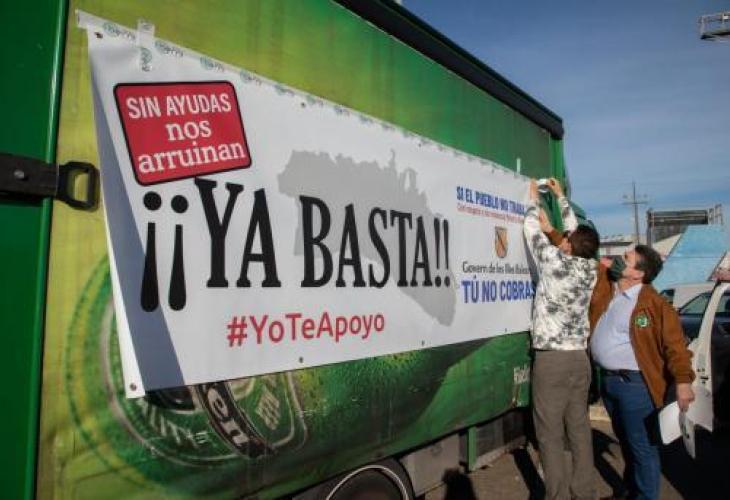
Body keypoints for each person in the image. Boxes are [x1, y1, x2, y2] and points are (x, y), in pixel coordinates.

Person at [589, 246, 695, 500]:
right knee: (627, 444)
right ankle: (631, 492)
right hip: (610, 382)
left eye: (627, 258)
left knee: (642, 448)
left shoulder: (654, 304)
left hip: (635, 387)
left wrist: (683, 382)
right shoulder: (611, 290)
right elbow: (586, 253)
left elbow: (676, 347)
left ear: (638, 274)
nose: (620, 257)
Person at [524, 178, 600, 500]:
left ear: (568, 245)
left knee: (550, 434)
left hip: (552, 360)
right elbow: (574, 235)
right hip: (579, 360)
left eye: (566, 239)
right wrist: (560, 197)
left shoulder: (553, 261)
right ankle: (584, 493)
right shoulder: (591, 269)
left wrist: (532, 200)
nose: (564, 238)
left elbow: (530, 230)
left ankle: (556, 496)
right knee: (579, 428)